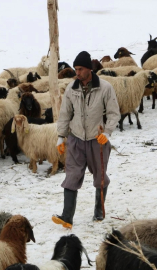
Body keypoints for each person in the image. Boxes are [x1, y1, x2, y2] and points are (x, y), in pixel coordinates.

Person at [52, 51, 121, 229]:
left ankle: (99, 211)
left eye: (80, 69)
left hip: (97, 140)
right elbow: (65, 113)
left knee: (100, 176)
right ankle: (67, 217)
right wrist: (61, 136)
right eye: (75, 69)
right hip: (76, 139)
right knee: (72, 175)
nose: (77, 72)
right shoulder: (71, 88)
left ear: (89, 69)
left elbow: (114, 113)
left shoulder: (105, 88)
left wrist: (107, 132)